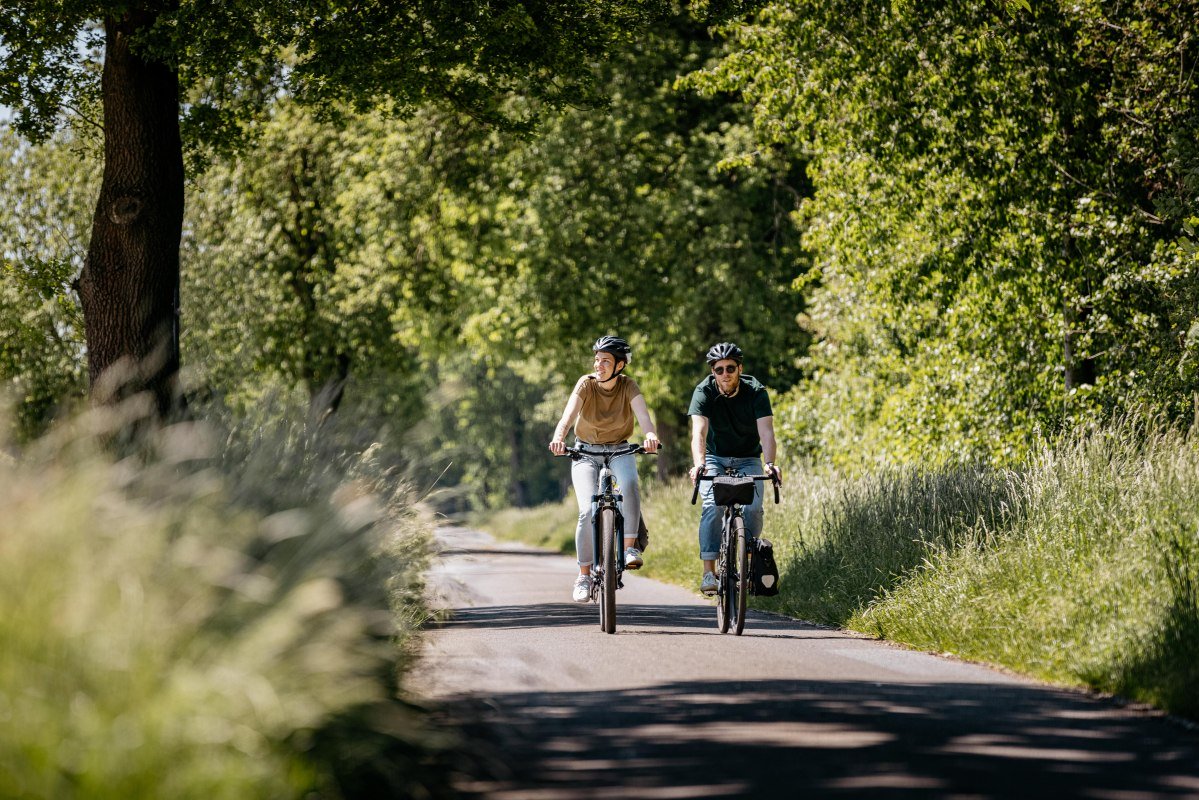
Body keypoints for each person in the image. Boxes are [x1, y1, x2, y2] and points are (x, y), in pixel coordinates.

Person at [550, 336, 661, 602]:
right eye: (597, 360)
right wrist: (558, 438)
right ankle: (584, 575)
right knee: (587, 509)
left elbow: (644, 417)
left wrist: (650, 436)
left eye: (605, 361)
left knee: (631, 486)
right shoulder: (586, 384)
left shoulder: (628, 386)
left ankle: (630, 548)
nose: (599, 365)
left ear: (620, 365)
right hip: (585, 453)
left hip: (619, 449)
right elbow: (568, 417)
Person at [688, 342, 782, 595]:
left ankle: (747, 558)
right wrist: (700, 464)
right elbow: (699, 431)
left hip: (749, 458)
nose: (725, 373)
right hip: (715, 457)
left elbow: (766, 432)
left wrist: (770, 463)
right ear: (713, 372)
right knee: (712, 506)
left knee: (753, 508)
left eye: (730, 368)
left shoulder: (756, 391)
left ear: (740, 368)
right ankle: (709, 572)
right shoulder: (704, 391)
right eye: (719, 369)